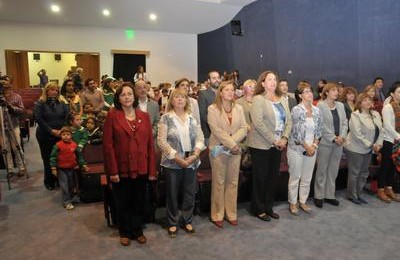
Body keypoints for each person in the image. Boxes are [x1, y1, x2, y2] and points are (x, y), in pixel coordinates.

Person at [103, 83, 156, 246]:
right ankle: (125, 231)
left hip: (141, 166)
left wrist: (151, 169)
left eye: (129, 94)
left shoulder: (144, 116)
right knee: (123, 201)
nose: (127, 97)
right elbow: (108, 145)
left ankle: (137, 230)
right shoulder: (112, 115)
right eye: (123, 94)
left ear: (135, 97)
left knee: (139, 199)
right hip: (121, 167)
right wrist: (112, 171)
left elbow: (149, 145)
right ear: (118, 98)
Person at [157, 88, 204, 237]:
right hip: (172, 163)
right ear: (171, 100)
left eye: (183, 97)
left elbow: (200, 139)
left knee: (189, 193)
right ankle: (172, 222)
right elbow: (161, 141)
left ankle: (187, 220)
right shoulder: (166, 118)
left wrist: (195, 155)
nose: (179, 99)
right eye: (176, 97)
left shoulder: (192, 119)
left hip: (191, 161)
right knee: (172, 193)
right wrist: (177, 158)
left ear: (186, 101)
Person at [247, 70, 292, 221]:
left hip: (278, 145)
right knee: (261, 177)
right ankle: (258, 209)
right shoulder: (258, 99)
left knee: (272, 177)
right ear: (263, 83)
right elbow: (258, 124)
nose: (273, 82)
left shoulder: (283, 99)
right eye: (270, 79)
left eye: (275, 79)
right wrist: (274, 140)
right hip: (261, 145)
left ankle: (268, 207)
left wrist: (284, 138)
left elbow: (289, 122)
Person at [208, 81, 248, 227]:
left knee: (233, 182)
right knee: (219, 182)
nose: (231, 92)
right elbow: (216, 130)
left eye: (232, 90)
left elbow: (244, 128)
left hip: (235, 151)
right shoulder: (212, 109)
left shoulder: (239, 108)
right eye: (227, 90)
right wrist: (232, 144)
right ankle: (217, 214)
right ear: (220, 92)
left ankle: (231, 213)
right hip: (219, 150)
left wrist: (234, 145)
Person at [287, 82, 322, 215]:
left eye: (310, 91)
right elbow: (296, 134)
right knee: (295, 176)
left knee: (307, 177)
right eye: (306, 92)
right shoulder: (296, 110)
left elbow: (319, 131)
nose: (310, 94)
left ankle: (303, 201)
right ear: (300, 96)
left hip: (312, 148)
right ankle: (293, 203)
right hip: (297, 149)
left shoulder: (317, 110)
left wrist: (314, 146)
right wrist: (307, 147)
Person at [344, 93, 383, 204]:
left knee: (364, 173)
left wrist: (378, 144)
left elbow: (381, 130)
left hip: (369, 148)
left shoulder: (376, 114)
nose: (368, 102)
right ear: (360, 103)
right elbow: (357, 134)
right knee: (355, 172)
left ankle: (359, 194)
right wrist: (372, 145)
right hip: (355, 148)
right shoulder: (355, 115)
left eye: (369, 100)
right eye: (365, 100)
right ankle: (352, 195)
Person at [314, 83, 348, 208]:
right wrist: (334, 138)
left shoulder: (340, 105)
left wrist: (342, 137)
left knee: (333, 170)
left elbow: (345, 122)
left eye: (337, 91)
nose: (336, 92)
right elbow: (321, 125)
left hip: (339, 143)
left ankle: (329, 195)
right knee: (322, 170)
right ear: (326, 92)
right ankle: (319, 195)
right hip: (326, 143)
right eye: (333, 90)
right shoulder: (320, 105)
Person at [34, 82, 70, 190]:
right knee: (48, 159)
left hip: (60, 135)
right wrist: (51, 131)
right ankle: (49, 181)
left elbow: (67, 117)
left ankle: (59, 180)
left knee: (60, 159)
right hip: (45, 136)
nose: (54, 92)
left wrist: (62, 131)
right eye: (51, 90)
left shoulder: (62, 103)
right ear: (46, 91)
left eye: (56, 90)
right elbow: (39, 119)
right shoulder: (40, 103)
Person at [50, 126, 88, 210]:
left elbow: (79, 156)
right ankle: (67, 202)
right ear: (61, 136)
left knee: (71, 185)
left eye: (68, 134)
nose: (66, 136)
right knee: (64, 186)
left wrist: (83, 164)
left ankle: (70, 197)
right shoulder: (58, 145)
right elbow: (53, 157)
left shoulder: (74, 145)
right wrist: (53, 168)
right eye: (63, 134)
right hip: (62, 169)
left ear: (71, 135)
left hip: (72, 168)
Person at [377, 82, 400, 202]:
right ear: (392, 94)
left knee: (394, 166)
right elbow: (387, 125)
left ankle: (389, 188)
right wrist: (398, 136)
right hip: (389, 141)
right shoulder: (388, 107)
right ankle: (380, 189)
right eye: (399, 92)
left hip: (398, 141)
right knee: (386, 166)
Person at [1, 76, 26, 176]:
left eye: (6, 82)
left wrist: (11, 107)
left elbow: (22, 110)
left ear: (10, 83)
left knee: (16, 147)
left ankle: (21, 167)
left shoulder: (17, 96)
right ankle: (9, 169)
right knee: (5, 148)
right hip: (1, 127)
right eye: (2, 83)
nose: (5, 84)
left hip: (13, 125)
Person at [198, 71, 221, 144]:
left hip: (223, 132)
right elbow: (203, 114)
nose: (217, 80)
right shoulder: (203, 93)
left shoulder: (223, 93)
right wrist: (215, 126)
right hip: (209, 133)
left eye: (218, 78)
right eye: (214, 78)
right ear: (209, 80)